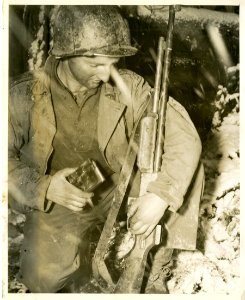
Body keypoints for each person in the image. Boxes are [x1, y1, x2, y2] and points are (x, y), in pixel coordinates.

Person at [8, 5, 204, 293]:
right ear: (67, 55)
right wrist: (46, 187)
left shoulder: (128, 86)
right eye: (96, 64)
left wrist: (160, 196)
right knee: (41, 280)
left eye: (113, 63)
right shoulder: (22, 94)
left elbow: (184, 138)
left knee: (184, 166)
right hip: (67, 195)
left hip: (122, 186)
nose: (106, 73)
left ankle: (155, 262)